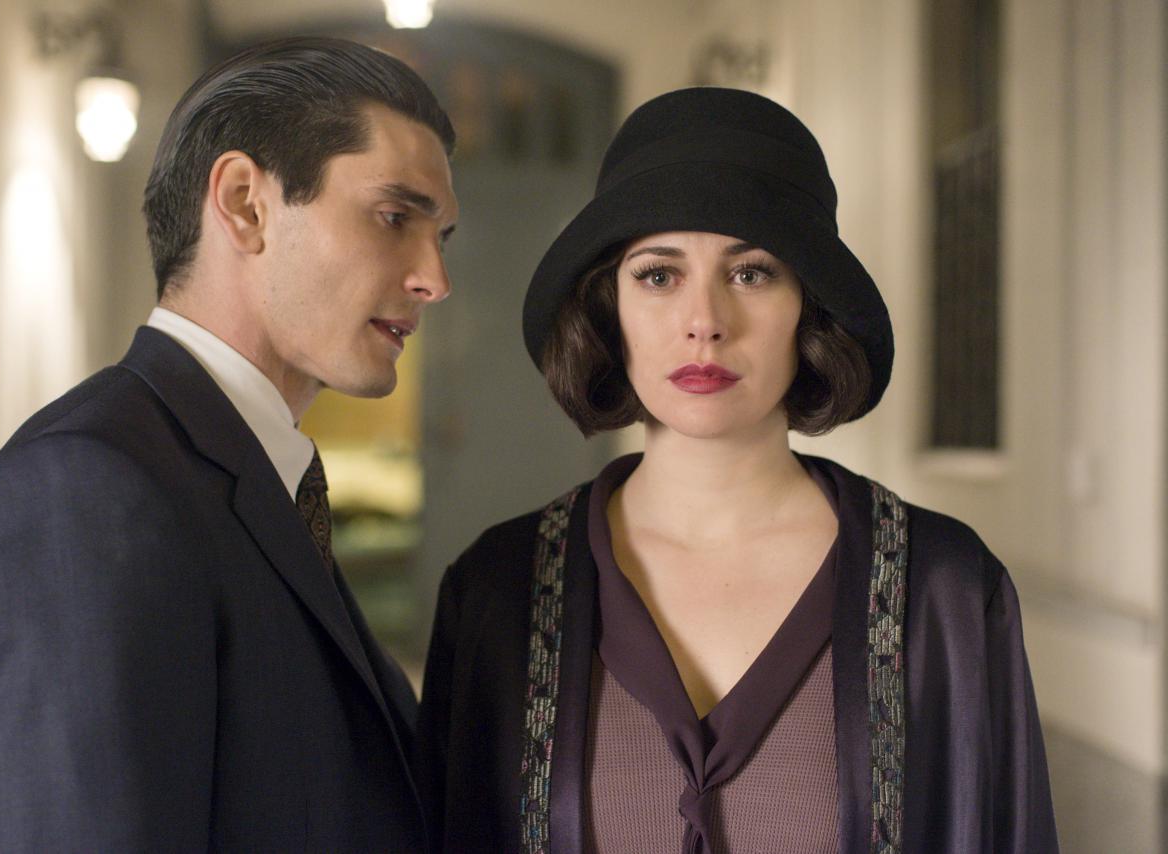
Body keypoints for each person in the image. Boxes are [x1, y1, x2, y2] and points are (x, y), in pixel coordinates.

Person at [415, 87, 1057, 853]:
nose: (706, 322)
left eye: (751, 273)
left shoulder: (943, 590)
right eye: (658, 275)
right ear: (608, 308)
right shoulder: (498, 591)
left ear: (809, 307)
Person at [0, 37, 457, 851]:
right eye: (394, 217)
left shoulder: (241, 475)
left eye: (441, 236)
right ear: (245, 204)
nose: (434, 279)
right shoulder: (82, 499)